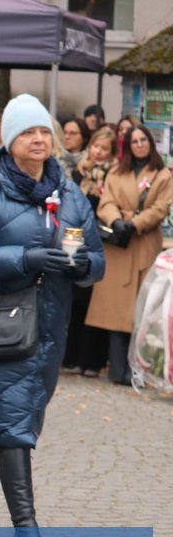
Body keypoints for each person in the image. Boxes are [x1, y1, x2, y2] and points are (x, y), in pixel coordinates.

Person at [0, 93, 104, 533]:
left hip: (50, 327)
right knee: (13, 419)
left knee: (13, 416)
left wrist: (82, 265)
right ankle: (27, 528)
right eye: (28, 132)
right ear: (10, 139)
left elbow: (94, 258)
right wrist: (26, 258)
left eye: (44, 132)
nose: (39, 140)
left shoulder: (68, 194)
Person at [86, 126, 173, 386]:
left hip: (143, 241)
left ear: (150, 143)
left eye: (143, 140)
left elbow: (161, 207)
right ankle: (117, 368)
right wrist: (116, 222)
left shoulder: (161, 175)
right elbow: (107, 200)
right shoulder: (116, 171)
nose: (139, 145)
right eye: (134, 141)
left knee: (141, 307)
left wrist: (135, 223)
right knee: (116, 308)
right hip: (118, 244)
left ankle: (137, 367)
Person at [63, 127, 117, 378]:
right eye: (96, 146)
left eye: (104, 149)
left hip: (98, 238)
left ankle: (91, 359)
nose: (98, 152)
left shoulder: (113, 175)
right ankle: (70, 356)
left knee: (91, 301)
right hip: (74, 236)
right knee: (72, 299)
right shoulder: (79, 172)